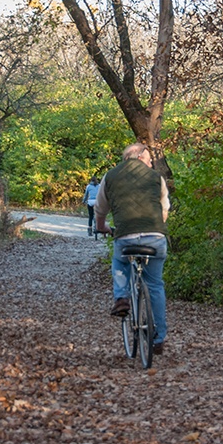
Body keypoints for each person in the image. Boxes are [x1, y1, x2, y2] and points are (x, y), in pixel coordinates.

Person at [94, 143, 171, 354]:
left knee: (119, 261)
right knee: (155, 284)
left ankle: (121, 298)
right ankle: (158, 338)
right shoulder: (157, 178)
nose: (150, 163)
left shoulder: (110, 177)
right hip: (155, 238)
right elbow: (164, 211)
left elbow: (99, 210)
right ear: (137, 157)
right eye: (148, 159)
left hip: (125, 237)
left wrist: (103, 228)